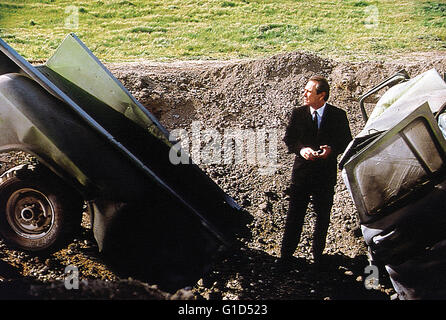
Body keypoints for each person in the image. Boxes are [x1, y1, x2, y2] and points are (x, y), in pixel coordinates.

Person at [279, 75, 352, 268]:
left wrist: (332, 150)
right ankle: (286, 256)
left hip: (325, 176)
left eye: (308, 91)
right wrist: (302, 150)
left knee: (322, 216)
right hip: (302, 175)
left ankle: (317, 256)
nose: (304, 94)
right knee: (295, 215)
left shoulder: (338, 115)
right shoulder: (298, 113)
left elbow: (346, 142)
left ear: (322, 95)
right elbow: (289, 139)